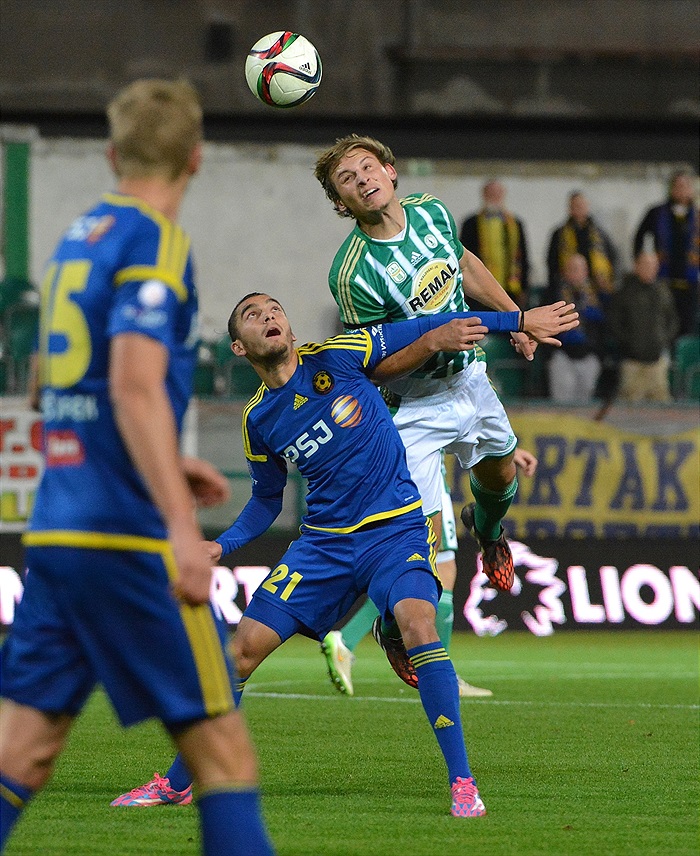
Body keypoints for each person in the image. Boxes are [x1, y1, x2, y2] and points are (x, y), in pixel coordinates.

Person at [111, 292, 578, 818]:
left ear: (288, 325)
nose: (268, 317)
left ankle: (463, 782)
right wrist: (223, 544)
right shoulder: (259, 419)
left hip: (392, 530)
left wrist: (515, 319)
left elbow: (437, 321)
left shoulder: (340, 353)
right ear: (239, 348)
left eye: (274, 309)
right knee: (239, 651)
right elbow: (267, 499)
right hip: (323, 546)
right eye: (252, 315)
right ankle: (178, 782)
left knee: (420, 622)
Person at [0, 80, 275, 856]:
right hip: (129, 544)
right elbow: (128, 382)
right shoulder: (156, 240)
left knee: (21, 752)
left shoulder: (75, 239)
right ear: (197, 158)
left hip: (57, 532)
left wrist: (158, 456)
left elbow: (54, 387)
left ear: (111, 153)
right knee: (222, 756)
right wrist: (182, 528)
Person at [313, 134, 572, 602]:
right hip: (412, 405)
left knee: (502, 478)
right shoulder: (352, 274)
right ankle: (395, 626)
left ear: (390, 171)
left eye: (367, 167)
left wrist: (514, 319)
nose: (362, 180)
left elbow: (464, 263)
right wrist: (433, 341)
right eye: (347, 180)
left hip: (471, 379)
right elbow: (369, 368)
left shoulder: (431, 210)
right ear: (341, 202)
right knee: (427, 546)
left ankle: (488, 531)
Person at [321, 446, 538, 698]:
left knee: (406, 572)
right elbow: (444, 417)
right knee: (443, 568)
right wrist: (498, 446)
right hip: (424, 477)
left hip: (395, 477)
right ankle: (442, 677)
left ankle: (347, 641)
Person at [633, 169, 699, 338]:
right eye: (677, 186)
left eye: (685, 186)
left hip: (690, 282)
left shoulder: (697, 216)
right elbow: (639, 235)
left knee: (687, 326)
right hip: (663, 281)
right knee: (662, 323)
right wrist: (641, 261)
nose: (681, 190)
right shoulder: (657, 213)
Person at [608, 251, 679, 402]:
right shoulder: (625, 292)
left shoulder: (663, 291)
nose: (650, 269)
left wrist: (663, 340)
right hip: (632, 361)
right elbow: (615, 322)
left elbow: (672, 320)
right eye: (645, 265)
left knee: (661, 403)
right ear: (636, 266)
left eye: (653, 265)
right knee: (630, 404)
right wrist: (629, 342)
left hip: (657, 360)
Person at [459, 179, 530, 310]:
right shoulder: (470, 224)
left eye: (497, 193)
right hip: (478, 290)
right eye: (490, 193)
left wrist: (524, 287)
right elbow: (462, 258)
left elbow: (523, 256)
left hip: (510, 288)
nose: (494, 197)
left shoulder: (515, 224)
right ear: (483, 195)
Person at [545, 253, 606, 403]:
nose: (575, 273)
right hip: (562, 355)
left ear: (586, 271)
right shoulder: (554, 293)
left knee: (585, 401)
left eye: (579, 269)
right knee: (562, 401)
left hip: (589, 356)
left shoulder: (596, 295)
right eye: (571, 269)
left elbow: (606, 327)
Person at [547, 190, 617, 297]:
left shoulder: (599, 233)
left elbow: (613, 255)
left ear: (587, 206)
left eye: (581, 205)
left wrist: (610, 279)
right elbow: (552, 262)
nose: (578, 209)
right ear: (569, 208)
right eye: (575, 206)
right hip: (568, 287)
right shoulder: (559, 234)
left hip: (597, 286)